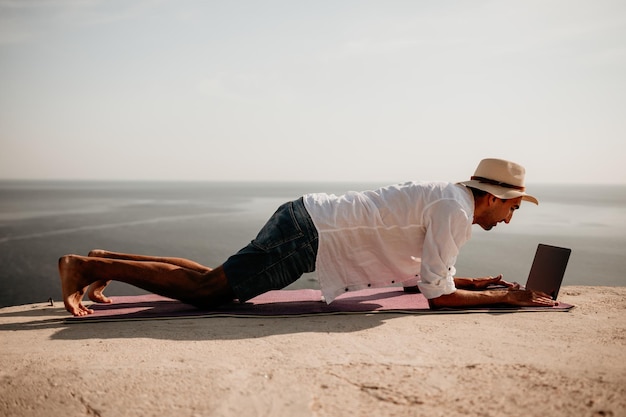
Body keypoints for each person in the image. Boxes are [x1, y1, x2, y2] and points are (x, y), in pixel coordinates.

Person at [59, 158, 556, 317]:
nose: (511, 218)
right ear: (491, 196)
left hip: (309, 221)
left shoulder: (451, 201)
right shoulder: (455, 209)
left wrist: (476, 280)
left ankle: (104, 258)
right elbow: (435, 294)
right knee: (210, 293)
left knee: (213, 278)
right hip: (312, 234)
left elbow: (426, 274)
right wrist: (505, 298)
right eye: (513, 207)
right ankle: (86, 267)